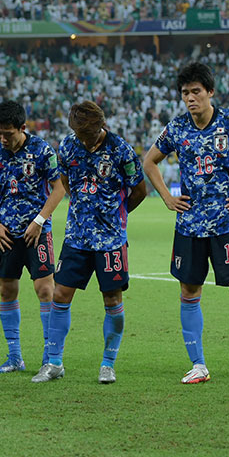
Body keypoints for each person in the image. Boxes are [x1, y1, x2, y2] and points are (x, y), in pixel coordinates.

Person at [143, 62, 229, 385]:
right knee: (189, 291)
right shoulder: (176, 128)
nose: (190, 98)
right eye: (185, 93)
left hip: (226, 223)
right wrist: (166, 197)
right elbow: (149, 162)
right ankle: (199, 365)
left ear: (210, 92)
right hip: (188, 226)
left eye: (196, 92)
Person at [32, 101, 146, 384]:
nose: (84, 139)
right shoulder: (68, 146)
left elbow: (140, 189)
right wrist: (83, 208)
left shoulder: (121, 150)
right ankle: (54, 362)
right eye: (80, 134)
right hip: (77, 238)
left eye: (89, 134)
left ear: (100, 126)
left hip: (110, 241)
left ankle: (108, 363)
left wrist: (117, 214)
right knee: (60, 295)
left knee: (112, 299)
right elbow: (65, 181)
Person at [0, 100, 65, 373]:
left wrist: (40, 220)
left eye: (8, 133)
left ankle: (51, 356)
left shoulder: (41, 149)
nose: (2, 138)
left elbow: (59, 186)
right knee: (6, 289)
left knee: (45, 290)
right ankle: (15, 357)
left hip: (36, 233)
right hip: (4, 234)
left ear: (22, 128)